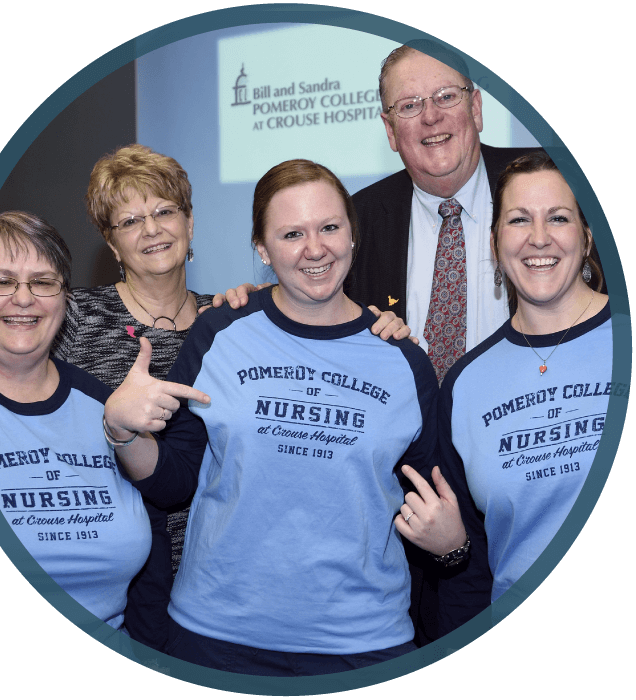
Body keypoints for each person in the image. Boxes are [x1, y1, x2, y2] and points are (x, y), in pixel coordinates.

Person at [103, 159, 467, 675]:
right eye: (291, 233)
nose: (314, 249)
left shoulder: (403, 357)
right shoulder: (219, 334)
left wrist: (454, 548)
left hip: (362, 643)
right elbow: (174, 482)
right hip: (216, 639)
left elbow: (433, 512)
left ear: (352, 235)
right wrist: (120, 432)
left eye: (329, 227)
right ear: (261, 248)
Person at [436, 152, 610, 635]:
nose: (539, 237)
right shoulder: (464, 385)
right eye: (518, 220)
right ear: (494, 243)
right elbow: (469, 569)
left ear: (587, 236)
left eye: (558, 217)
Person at [51, 144, 214, 651]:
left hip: (215, 568)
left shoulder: (229, 322)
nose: (152, 229)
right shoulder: (72, 318)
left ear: (190, 223)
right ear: (111, 243)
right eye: (130, 221)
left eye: (165, 211)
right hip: (112, 563)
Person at [0, 211, 151, 631]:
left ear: (65, 300)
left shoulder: (106, 406)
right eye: (1, 280)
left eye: (44, 282)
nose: (23, 298)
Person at [347, 40, 545, 384]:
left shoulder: (553, 182)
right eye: (409, 105)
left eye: (446, 96)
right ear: (391, 130)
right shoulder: (357, 220)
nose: (431, 116)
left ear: (476, 108)